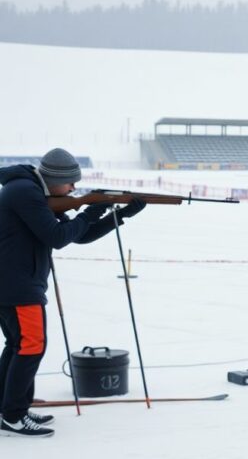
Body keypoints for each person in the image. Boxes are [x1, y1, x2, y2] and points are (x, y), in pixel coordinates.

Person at [0, 148, 146, 438]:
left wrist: (119, 215)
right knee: (31, 346)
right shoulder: (25, 192)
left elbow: (81, 236)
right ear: (55, 179)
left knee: (19, 345)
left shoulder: (31, 192)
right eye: (71, 183)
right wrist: (90, 209)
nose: (74, 189)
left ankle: (11, 407)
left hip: (17, 283)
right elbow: (58, 238)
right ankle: (13, 415)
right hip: (18, 286)